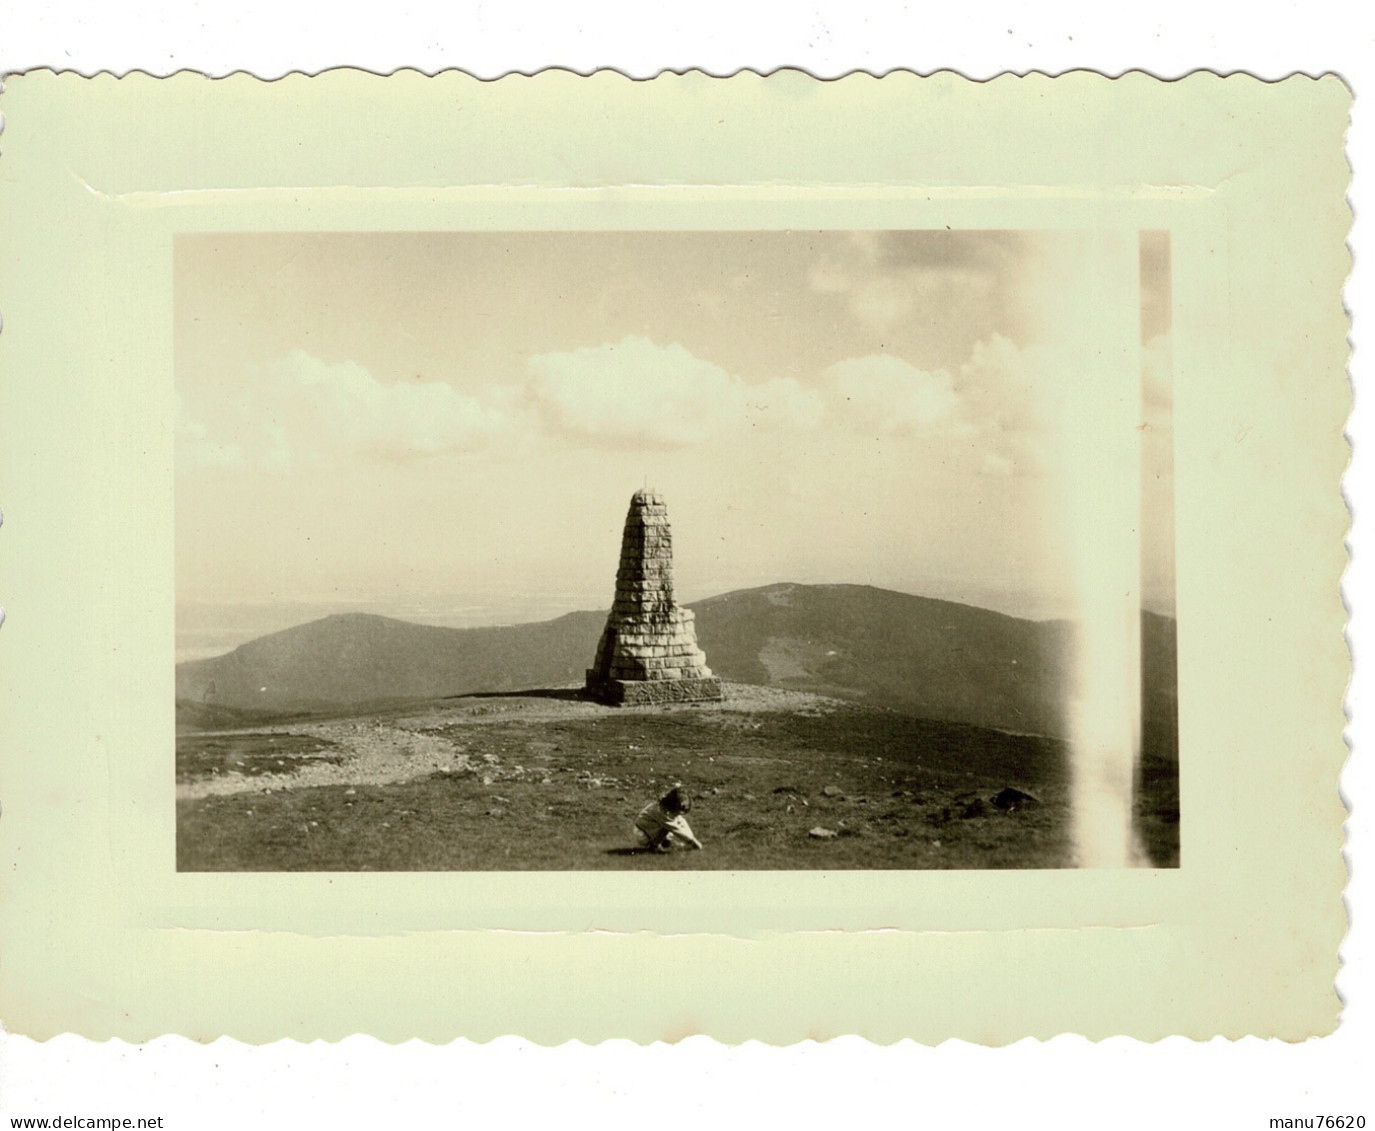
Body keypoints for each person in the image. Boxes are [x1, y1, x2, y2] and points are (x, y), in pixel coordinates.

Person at [634, 786, 704, 853]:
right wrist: (693, 841)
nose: (680, 814)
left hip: (647, 829)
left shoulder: (665, 807)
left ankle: (665, 842)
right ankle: (654, 846)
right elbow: (676, 829)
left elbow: (681, 821)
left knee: (672, 824)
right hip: (642, 834)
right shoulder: (661, 813)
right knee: (668, 827)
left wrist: (692, 837)